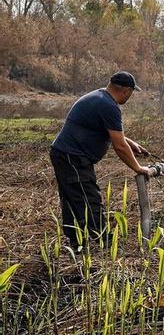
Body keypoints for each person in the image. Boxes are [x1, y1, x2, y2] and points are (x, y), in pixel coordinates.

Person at [49, 71, 153, 252]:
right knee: (88, 199)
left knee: (72, 200)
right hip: (72, 157)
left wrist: (132, 143)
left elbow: (113, 134)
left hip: (64, 154)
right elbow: (119, 146)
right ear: (127, 91)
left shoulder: (99, 97)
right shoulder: (109, 106)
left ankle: (78, 244)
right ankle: (103, 242)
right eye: (131, 93)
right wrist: (138, 167)